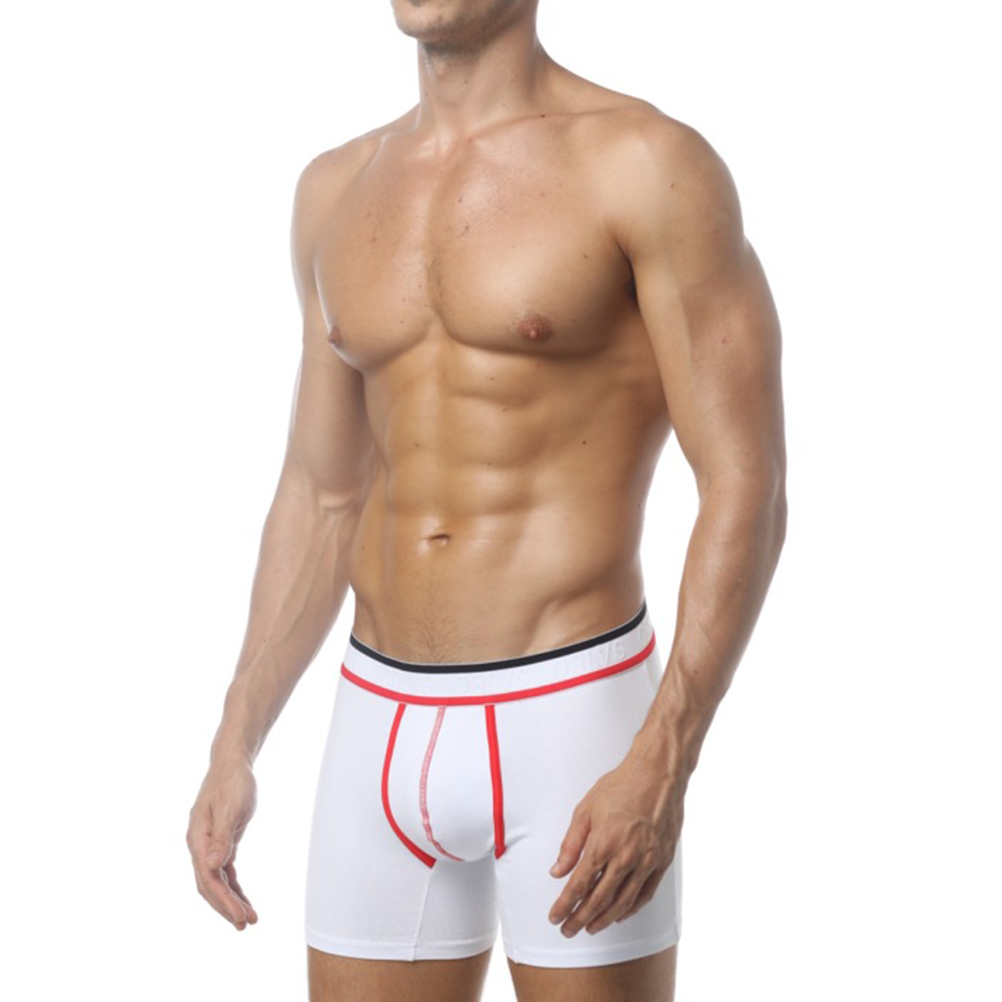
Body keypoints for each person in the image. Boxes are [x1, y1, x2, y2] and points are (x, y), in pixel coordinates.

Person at [185, 1, 787, 999]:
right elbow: (322, 491)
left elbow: (745, 479)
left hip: (573, 716)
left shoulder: (644, 164)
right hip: (377, 720)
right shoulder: (334, 188)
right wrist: (235, 737)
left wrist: (666, 754)